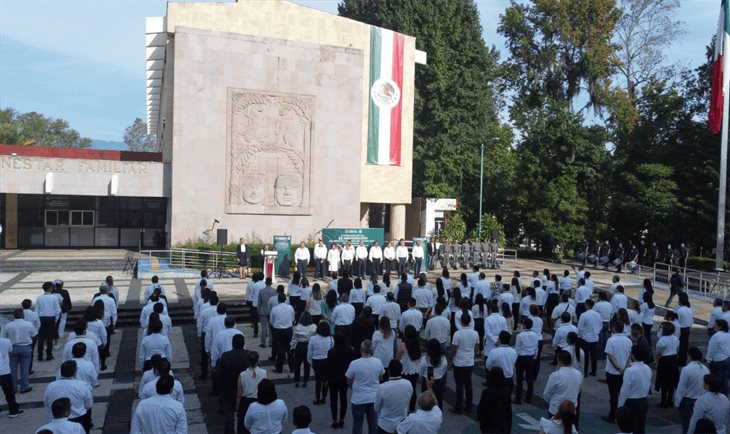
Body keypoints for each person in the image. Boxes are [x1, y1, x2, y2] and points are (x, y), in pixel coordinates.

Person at [345, 340, 385, 434]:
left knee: (357, 424)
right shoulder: (378, 362)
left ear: (361, 350)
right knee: (373, 423)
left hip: (358, 398)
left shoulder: (354, 363)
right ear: (372, 350)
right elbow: (380, 377)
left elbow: (349, 380)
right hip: (374, 398)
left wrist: (353, 388)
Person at [44, 361, 93, 433]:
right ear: (75, 372)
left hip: (57, 418)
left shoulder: (51, 386)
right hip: (78, 418)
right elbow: (89, 404)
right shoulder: (82, 385)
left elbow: (47, 404)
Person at [217, 334, 249, 434]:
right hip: (245, 390)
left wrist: (220, 390)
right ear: (243, 343)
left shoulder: (226, 356)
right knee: (244, 414)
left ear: (232, 344)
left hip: (228, 390)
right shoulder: (248, 355)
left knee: (229, 416)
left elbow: (219, 375)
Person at [602, 321, 633, 423]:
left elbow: (610, 357)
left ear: (614, 328)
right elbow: (630, 356)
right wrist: (625, 367)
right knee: (622, 393)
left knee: (613, 394)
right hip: (624, 371)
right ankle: (624, 414)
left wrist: (618, 368)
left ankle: (612, 414)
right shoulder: (628, 341)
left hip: (612, 371)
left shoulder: (611, 340)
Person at [675, 347, 711, 434]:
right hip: (702, 399)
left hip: (688, 401)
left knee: (687, 425)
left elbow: (681, 388)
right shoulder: (705, 369)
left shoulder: (686, 370)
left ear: (689, 356)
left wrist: (677, 402)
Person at [449, 311, 479, 414]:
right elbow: (476, 347)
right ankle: (469, 406)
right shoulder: (475, 333)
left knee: (459, 385)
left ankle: (458, 407)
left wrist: (450, 360)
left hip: (459, 362)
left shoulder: (457, 334)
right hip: (469, 361)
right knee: (468, 384)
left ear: (461, 322)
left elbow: (454, 349)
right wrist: (472, 354)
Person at [619, 346, 652, 434]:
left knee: (630, 429)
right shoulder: (647, 368)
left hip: (632, 403)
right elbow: (647, 385)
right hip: (643, 401)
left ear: (632, 356)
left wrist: (620, 406)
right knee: (640, 428)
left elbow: (624, 391)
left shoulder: (630, 371)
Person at [374, 359, 413, 434]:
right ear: (401, 370)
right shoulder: (408, 384)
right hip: (402, 424)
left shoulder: (382, 388)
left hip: (385, 425)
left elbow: (376, 407)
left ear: (389, 371)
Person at [3, 308, 35, 394]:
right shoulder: (29, 324)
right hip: (25, 347)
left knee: (13, 369)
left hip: (13, 348)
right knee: (24, 368)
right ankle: (24, 386)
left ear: (14, 315)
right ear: (23, 315)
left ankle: (13, 387)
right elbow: (34, 334)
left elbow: (5, 337)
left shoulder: (8, 325)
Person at [326, 332, 354, 428]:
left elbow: (328, 366)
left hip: (333, 379)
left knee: (333, 400)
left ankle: (334, 419)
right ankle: (342, 418)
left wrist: (326, 379)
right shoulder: (349, 351)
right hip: (344, 378)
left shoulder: (331, 352)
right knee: (343, 398)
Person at [236, 351, 266, 434]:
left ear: (247, 361)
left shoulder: (242, 375)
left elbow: (239, 394)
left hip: (246, 403)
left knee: (244, 427)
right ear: (257, 361)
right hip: (259, 401)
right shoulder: (264, 373)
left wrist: (237, 408)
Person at [478, 367, 512, 433]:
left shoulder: (487, 392)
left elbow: (481, 408)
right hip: (502, 423)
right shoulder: (506, 391)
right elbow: (508, 409)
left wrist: (481, 419)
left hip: (489, 423)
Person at [514, 317, 539, 405]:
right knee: (529, 379)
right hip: (531, 358)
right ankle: (529, 397)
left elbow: (517, 349)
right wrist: (534, 357)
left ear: (524, 325)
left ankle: (518, 397)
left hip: (521, 358)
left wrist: (515, 360)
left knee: (519, 379)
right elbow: (536, 347)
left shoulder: (520, 335)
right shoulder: (535, 335)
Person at [656, 321, 680, 408]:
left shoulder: (662, 340)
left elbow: (659, 352)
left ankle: (663, 400)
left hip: (665, 361)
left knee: (664, 382)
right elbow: (677, 349)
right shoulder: (675, 338)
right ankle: (670, 400)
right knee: (672, 382)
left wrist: (657, 361)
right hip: (673, 359)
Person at [308, 321, 334, 405]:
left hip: (317, 361)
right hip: (326, 361)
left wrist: (310, 362)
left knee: (318, 380)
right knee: (325, 380)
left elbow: (310, 353)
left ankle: (317, 398)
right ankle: (324, 397)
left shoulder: (313, 339)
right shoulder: (330, 339)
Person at [396, 324, 421, 412]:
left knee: (404, 390)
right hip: (415, 370)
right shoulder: (417, 344)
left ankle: (403, 408)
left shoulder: (403, 345)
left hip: (405, 370)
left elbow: (397, 358)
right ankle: (412, 409)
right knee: (413, 390)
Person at [35, 282, 61, 362]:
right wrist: (55, 319)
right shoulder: (54, 297)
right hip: (51, 318)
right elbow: (57, 310)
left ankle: (40, 355)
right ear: (50, 288)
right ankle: (49, 355)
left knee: (41, 338)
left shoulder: (39, 298)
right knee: (50, 338)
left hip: (41, 318)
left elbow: (36, 310)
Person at [0, 328, 22, 417]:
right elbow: (10, 349)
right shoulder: (6, 341)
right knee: (9, 392)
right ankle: (13, 410)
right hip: (4, 370)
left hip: (4, 370)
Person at [291, 312, 316, 388]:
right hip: (308, 345)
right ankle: (305, 381)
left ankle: (297, 381)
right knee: (307, 364)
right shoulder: (314, 327)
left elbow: (294, 339)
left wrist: (292, 347)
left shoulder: (298, 327)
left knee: (297, 365)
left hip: (299, 345)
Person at [706, 319, 730, 395]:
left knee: (717, 379)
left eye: (716, 325)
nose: (714, 326)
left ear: (720, 327)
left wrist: (708, 359)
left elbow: (711, 349)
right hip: (727, 359)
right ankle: (724, 395)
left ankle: (716, 395)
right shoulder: (728, 334)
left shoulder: (716, 336)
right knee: (724, 378)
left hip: (717, 360)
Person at [257, 278, 277, 349]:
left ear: (265, 283)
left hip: (263, 310)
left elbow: (259, 303)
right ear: (271, 283)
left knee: (263, 327)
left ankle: (263, 342)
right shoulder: (274, 291)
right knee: (271, 327)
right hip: (271, 311)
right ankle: (271, 342)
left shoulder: (261, 291)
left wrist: (258, 310)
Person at [676, 293, 693, 365]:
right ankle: (684, 359)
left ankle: (680, 360)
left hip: (681, 329)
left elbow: (677, 321)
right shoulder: (689, 309)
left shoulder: (679, 310)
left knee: (681, 345)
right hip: (687, 328)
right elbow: (691, 320)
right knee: (685, 345)